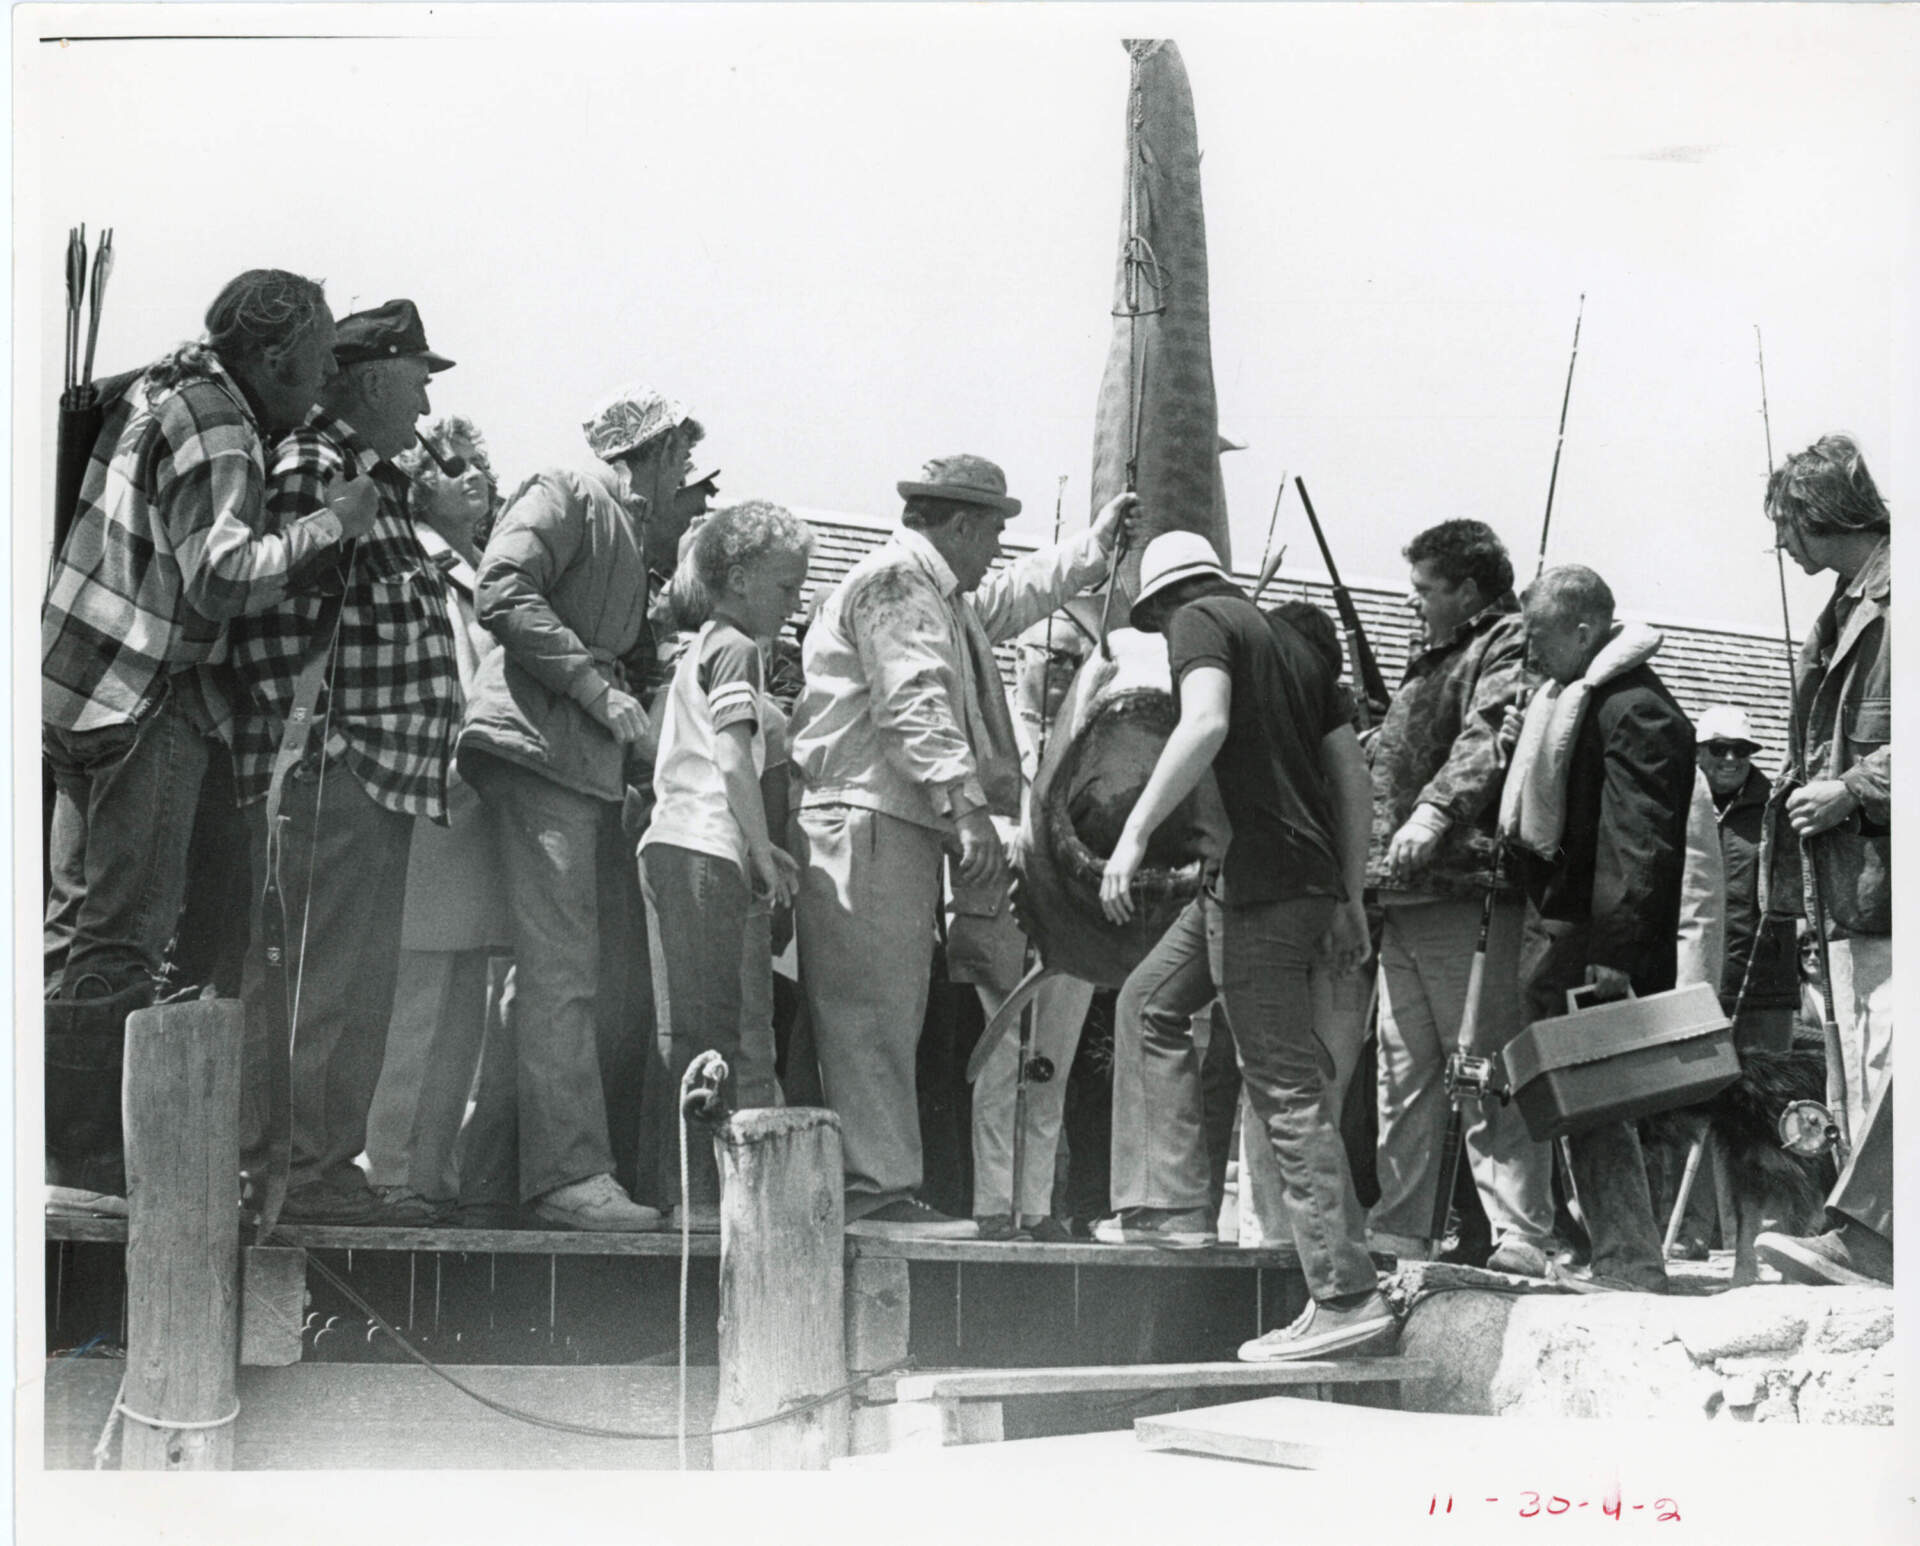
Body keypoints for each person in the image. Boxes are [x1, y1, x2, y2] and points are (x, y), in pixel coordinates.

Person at [42, 269, 371, 1213]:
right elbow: (219, 579)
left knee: (74, 934)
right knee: (126, 939)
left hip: (77, 688)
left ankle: (63, 1152)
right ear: (273, 354)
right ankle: (87, 1163)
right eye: (316, 358)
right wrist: (330, 524)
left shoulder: (164, 391)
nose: (323, 379)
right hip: (149, 695)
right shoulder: (224, 426)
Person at [788, 454, 1135, 1239]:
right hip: (874, 819)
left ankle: (862, 1183)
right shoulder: (898, 588)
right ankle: (875, 1189)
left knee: (874, 1011)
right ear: (961, 526)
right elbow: (912, 698)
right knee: (874, 1012)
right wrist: (966, 804)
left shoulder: (930, 592)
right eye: (993, 535)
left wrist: (1092, 548)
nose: (996, 553)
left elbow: (1009, 600)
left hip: (885, 823)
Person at [1098, 531, 1392, 1361]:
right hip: (1274, 882)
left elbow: (1205, 722)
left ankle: (1345, 1293)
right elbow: (1352, 776)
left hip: (1258, 887)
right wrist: (1346, 890)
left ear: (1161, 604)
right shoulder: (1296, 646)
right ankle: (1172, 1207)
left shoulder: (1198, 621)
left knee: (1285, 1087)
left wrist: (1132, 835)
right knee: (1151, 1002)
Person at [228, 299, 459, 1226]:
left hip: (376, 771)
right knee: (318, 986)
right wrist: (320, 745)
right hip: (337, 764)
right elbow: (275, 611)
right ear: (369, 380)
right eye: (418, 382)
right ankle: (294, 1175)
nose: (429, 408)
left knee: (355, 986)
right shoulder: (315, 465)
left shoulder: (376, 477)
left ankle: (325, 1168)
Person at [457, 386, 700, 1231]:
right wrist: (595, 687)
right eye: (680, 459)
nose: (684, 479)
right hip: (541, 752)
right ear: (658, 455)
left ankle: (489, 1180)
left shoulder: (623, 530)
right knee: (562, 970)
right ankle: (569, 1176)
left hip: (576, 763)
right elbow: (501, 588)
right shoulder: (566, 492)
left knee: (547, 974)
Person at [1362, 520, 1556, 1277]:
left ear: (1469, 590)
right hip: (1405, 893)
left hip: (1464, 889)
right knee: (1400, 1077)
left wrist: (1436, 811)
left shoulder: (1508, 642)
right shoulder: (1440, 652)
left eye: (1424, 591)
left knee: (1482, 1068)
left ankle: (1521, 1234)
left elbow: (1489, 737)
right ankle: (1400, 1230)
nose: (1412, 605)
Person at [1499, 565, 1695, 1293]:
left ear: (1583, 630)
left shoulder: (1632, 709)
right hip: (1566, 930)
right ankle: (1611, 1249)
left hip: (1590, 941)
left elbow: (1638, 841)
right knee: (1578, 1100)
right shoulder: (1576, 700)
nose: (1529, 651)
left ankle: (1630, 1259)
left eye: (1539, 634)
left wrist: (1616, 956)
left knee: (1597, 1097)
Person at [639, 500, 814, 1230]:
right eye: (785, 588)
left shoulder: (704, 646)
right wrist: (757, 851)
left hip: (675, 842)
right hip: (705, 850)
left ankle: (682, 1189)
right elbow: (734, 757)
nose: (794, 604)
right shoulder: (740, 648)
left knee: (686, 1027)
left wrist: (758, 845)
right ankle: (703, 1198)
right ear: (738, 579)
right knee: (712, 1029)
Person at [360, 416, 511, 1218]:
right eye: (455, 466)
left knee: (464, 1000)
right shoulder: (422, 562)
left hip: (475, 807)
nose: (475, 476)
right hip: (436, 800)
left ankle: (431, 1171)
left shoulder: (479, 571)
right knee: (417, 994)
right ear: (418, 481)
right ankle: (388, 1168)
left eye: (480, 462)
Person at [1754, 434, 1892, 1287]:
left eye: (1785, 524)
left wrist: (1851, 789)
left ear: (1820, 514)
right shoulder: (1844, 607)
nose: (1780, 544)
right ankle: (1867, 1244)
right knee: (1859, 1073)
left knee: (1889, 1069)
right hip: (1845, 893)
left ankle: (1873, 1243)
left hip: (1885, 886)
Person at [961, 602, 1102, 1240]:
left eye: (1079, 661)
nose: (1067, 671)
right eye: (1058, 655)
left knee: (1052, 1063)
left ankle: (1036, 1207)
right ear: (1022, 656)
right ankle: (995, 1206)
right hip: (1002, 905)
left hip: (1071, 916)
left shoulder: (1092, 732)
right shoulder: (987, 728)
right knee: (999, 1061)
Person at [1693, 705, 1798, 1040]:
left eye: (1741, 749)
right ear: (1697, 751)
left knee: (1766, 1087)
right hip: (1692, 977)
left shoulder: (1776, 809)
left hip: (1765, 986)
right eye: (1718, 748)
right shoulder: (1676, 803)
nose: (1730, 758)